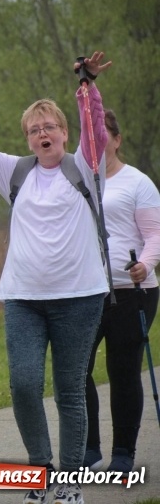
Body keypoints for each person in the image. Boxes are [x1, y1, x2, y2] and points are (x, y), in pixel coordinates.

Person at [0, 51, 111, 504]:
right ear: (27, 138)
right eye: (34, 130)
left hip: (81, 297)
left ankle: (71, 483)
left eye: (49, 127)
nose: (42, 134)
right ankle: (39, 473)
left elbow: (95, 130)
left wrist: (88, 87)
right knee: (23, 384)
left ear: (64, 133)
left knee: (69, 390)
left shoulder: (84, 165)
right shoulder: (16, 171)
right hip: (24, 297)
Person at [83, 108, 160, 473]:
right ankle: (88, 448)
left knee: (123, 370)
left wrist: (145, 264)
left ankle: (123, 453)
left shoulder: (137, 182)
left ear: (116, 139)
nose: (96, 143)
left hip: (133, 291)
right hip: (85, 292)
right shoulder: (78, 179)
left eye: (103, 136)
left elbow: (155, 235)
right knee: (76, 369)